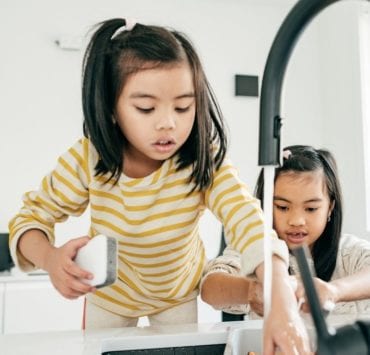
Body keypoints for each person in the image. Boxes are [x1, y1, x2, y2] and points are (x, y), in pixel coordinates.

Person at [8, 18, 309, 353]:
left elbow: (244, 215)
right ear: (111, 108)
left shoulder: (201, 159)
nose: (168, 123)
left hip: (176, 294)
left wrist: (278, 285)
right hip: (110, 297)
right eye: (146, 108)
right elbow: (29, 220)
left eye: (183, 106)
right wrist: (50, 259)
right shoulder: (87, 160)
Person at [201, 145, 370, 318]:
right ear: (265, 206)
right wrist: (254, 289)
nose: (296, 220)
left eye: (311, 208)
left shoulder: (349, 253)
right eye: (282, 207)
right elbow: (210, 288)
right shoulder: (255, 251)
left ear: (330, 208)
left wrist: (334, 291)